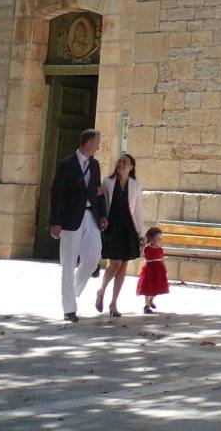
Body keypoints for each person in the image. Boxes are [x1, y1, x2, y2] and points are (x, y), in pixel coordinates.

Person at [48, 127, 107, 321]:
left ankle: (72, 293)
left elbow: (98, 191)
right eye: (96, 143)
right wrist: (55, 221)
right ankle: (69, 309)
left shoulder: (95, 165)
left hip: (91, 216)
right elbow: (57, 193)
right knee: (68, 263)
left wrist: (102, 215)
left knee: (93, 257)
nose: (98, 147)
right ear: (88, 143)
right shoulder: (66, 164)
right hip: (70, 218)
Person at [94, 153, 144, 316]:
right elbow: (102, 205)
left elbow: (138, 210)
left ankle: (114, 303)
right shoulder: (107, 182)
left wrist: (141, 234)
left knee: (123, 267)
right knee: (115, 264)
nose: (121, 163)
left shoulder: (135, 185)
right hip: (112, 227)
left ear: (131, 167)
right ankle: (101, 291)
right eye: (120, 161)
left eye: (125, 162)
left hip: (128, 229)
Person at [135, 226, 170, 314]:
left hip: (158, 270)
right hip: (149, 270)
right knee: (148, 287)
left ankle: (151, 300)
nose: (159, 239)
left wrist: (164, 268)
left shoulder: (160, 249)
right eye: (157, 237)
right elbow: (141, 255)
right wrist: (143, 245)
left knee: (158, 287)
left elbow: (162, 259)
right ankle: (146, 306)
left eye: (160, 237)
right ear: (151, 238)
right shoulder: (147, 248)